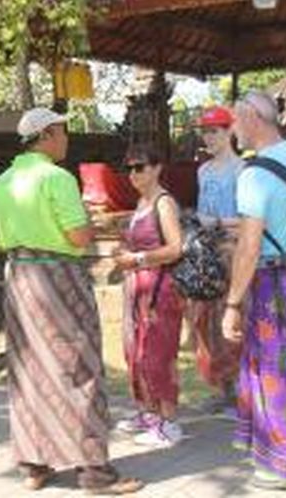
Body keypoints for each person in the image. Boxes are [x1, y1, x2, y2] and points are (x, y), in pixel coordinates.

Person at [0, 107, 143, 494]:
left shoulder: (2, 181)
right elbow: (77, 238)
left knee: (28, 369)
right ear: (46, 135)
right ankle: (94, 472)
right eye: (62, 131)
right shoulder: (56, 178)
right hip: (58, 278)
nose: (66, 139)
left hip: (20, 278)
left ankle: (34, 464)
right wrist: (91, 224)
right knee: (79, 366)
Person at [222, 91, 286, 490]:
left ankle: (280, 463)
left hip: (273, 285)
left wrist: (232, 304)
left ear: (252, 119)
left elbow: (248, 248)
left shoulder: (254, 173)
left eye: (235, 120)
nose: (233, 129)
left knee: (272, 369)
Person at [113, 144, 185, 447]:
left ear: (156, 168)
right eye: (129, 168)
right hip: (137, 289)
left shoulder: (163, 202)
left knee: (158, 354)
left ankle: (169, 422)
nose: (133, 174)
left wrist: (138, 259)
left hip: (161, 289)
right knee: (136, 354)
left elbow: (176, 248)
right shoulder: (142, 202)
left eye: (140, 167)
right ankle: (149, 413)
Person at [187, 106, 243, 414]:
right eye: (205, 131)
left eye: (215, 131)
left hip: (232, 251)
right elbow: (200, 210)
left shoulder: (242, 170)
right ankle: (223, 388)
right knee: (207, 321)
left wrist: (218, 223)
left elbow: (248, 218)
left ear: (229, 131)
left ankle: (242, 387)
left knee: (234, 317)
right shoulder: (203, 170)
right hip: (206, 252)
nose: (209, 137)